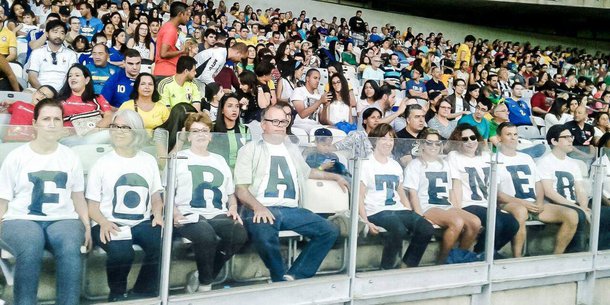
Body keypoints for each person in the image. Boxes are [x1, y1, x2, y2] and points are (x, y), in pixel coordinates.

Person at [234, 104, 345, 282]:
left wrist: (334, 177)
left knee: (329, 230)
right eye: (275, 121)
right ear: (263, 124)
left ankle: (295, 275)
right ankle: (279, 279)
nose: (280, 125)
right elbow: (241, 189)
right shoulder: (250, 149)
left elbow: (308, 172)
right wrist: (259, 207)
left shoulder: (292, 150)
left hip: (292, 210)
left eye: (284, 122)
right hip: (261, 207)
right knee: (263, 234)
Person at [0, 99, 91, 305]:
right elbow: (3, 200)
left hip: (63, 218)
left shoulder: (71, 157)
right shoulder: (16, 157)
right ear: (34, 123)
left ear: (62, 124)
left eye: (57, 119)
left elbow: (77, 196)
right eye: (46, 118)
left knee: (70, 248)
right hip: (21, 219)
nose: (51, 124)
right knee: (31, 245)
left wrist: (86, 224)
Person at [87, 110, 164, 302]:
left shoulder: (148, 160)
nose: (118, 131)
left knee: (162, 243)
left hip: (142, 222)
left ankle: (143, 291)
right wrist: (103, 222)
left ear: (136, 131)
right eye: (115, 126)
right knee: (123, 253)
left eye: (125, 127)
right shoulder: (102, 163)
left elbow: (156, 196)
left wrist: (158, 214)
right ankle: (117, 294)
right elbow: (92, 206)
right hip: (109, 222)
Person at [173, 112, 247, 292]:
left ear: (210, 136)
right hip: (188, 214)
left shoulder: (219, 160)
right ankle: (206, 287)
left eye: (204, 130)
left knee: (239, 234)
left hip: (216, 213)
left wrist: (234, 207)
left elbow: (230, 194)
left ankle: (205, 275)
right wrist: (174, 213)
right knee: (206, 235)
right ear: (189, 136)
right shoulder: (178, 157)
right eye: (195, 131)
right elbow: (166, 191)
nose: (200, 134)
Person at [496, 122, 584, 257]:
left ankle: (556, 257)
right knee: (520, 211)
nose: (513, 138)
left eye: (515, 134)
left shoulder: (526, 158)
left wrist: (539, 202)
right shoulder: (494, 159)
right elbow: (497, 194)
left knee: (571, 215)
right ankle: (517, 258)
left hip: (532, 203)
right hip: (509, 204)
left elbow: (538, 184)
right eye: (508, 134)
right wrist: (523, 203)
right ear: (499, 138)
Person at [360, 123, 434, 268]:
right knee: (398, 229)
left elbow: (401, 193)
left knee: (426, 228)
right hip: (376, 210)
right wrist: (365, 221)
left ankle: (406, 265)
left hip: (397, 209)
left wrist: (410, 211)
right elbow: (359, 196)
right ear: (375, 140)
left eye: (391, 139)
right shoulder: (366, 164)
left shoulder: (394, 165)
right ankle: (386, 267)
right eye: (384, 138)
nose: (388, 143)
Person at [404, 128, 481, 263]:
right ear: (421, 144)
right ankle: (442, 261)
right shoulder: (415, 165)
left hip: (445, 205)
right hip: (428, 206)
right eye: (429, 143)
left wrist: (457, 209)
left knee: (475, 222)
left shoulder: (445, 164)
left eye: (437, 143)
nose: (434, 146)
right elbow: (413, 193)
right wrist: (419, 217)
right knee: (457, 222)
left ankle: (457, 257)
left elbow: (450, 190)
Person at [447, 124, 519, 257]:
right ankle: (481, 254)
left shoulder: (486, 156)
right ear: (458, 141)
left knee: (512, 223)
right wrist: (458, 210)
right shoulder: (454, 156)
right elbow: (455, 184)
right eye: (465, 139)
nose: (470, 141)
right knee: (495, 224)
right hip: (468, 204)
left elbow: (493, 185)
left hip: (487, 204)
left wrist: (496, 205)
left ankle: (485, 253)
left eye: (473, 137)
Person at [57, 63, 112, 131]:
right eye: (70, 76)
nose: (72, 78)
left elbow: (109, 117)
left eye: (77, 75)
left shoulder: (98, 98)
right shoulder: (59, 99)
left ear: (87, 80)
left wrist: (94, 131)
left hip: (93, 136)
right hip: (66, 136)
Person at [27, 19, 77, 91]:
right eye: (55, 32)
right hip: (40, 91)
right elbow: (32, 77)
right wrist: (43, 91)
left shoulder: (71, 54)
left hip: (63, 93)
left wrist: (62, 93)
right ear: (47, 34)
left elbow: (73, 77)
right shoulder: (37, 52)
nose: (58, 36)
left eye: (62, 33)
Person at [210, 94, 250, 170]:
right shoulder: (212, 128)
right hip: (217, 170)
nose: (234, 110)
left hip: (239, 171)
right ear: (222, 110)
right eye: (230, 106)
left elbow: (248, 155)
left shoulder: (245, 130)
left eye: (237, 106)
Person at [153, 1, 191, 77]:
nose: (188, 18)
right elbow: (163, 54)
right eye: (186, 15)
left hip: (168, 71)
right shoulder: (170, 29)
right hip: (166, 72)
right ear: (180, 14)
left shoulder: (171, 27)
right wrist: (182, 51)